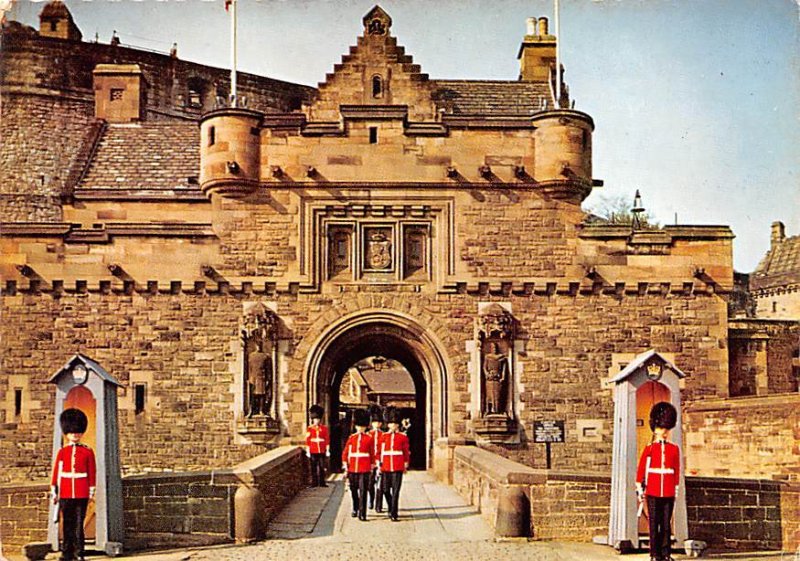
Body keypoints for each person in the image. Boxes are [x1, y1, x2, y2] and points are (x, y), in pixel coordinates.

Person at [636, 401, 680, 561]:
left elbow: (676, 470)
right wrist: (640, 489)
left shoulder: (674, 449)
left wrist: (675, 489)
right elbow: (641, 470)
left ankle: (666, 554)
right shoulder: (649, 449)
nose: (664, 432)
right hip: (653, 491)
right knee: (654, 525)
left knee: (666, 525)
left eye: (666, 429)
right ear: (655, 429)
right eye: (661, 428)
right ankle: (654, 554)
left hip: (668, 491)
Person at [51, 408, 96, 561]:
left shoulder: (87, 452)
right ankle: (66, 552)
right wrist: (54, 491)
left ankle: (79, 552)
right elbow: (57, 472)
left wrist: (91, 492)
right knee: (67, 524)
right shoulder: (63, 452)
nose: (75, 434)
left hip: (81, 492)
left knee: (78, 525)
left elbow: (91, 473)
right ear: (67, 432)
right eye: (72, 432)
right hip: (65, 491)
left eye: (77, 432)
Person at [379, 406, 410, 522]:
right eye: (391, 423)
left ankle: (394, 513)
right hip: (386, 466)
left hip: (397, 466)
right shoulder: (383, 436)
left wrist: (405, 464)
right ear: (388, 424)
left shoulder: (403, 437)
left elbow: (405, 451)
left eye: (395, 423)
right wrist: (379, 464)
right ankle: (391, 507)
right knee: (386, 490)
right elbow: (379, 451)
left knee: (396, 491)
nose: (393, 425)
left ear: (398, 424)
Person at [342, 409, 374, 521]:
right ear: (355, 426)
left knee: (363, 490)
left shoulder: (369, 438)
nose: (360, 428)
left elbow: (372, 453)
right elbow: (345, 452)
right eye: (359, 426)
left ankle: (362, 513)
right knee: (353, 489)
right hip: (352, 468)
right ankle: (355, 507)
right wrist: (345, 464)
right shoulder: (352, 438)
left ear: (365, 427)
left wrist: (372, 466)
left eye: (362, 426)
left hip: (364, 468)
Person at [305, 405, 329, 487]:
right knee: (313, 467)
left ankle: (322, 482)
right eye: (315, 419)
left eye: (318, 419)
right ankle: (314, 483)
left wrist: (327, 449)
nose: (316, 421)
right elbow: (308, 440)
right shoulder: (310, 428)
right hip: (313, 449)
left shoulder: (324, 428)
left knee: (322, 467)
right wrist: (308, 450)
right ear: (313, 419)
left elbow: (326, 439)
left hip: (321, 450)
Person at [367, 407, 385, 512]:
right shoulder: (369, 434)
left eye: (378, 422)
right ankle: (371, 500)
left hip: (381, 462)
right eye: (375, 422)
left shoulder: (383, 435)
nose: (377, 424)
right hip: (370, 462)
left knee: (380, 485)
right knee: (370, 484)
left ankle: (379, 505)